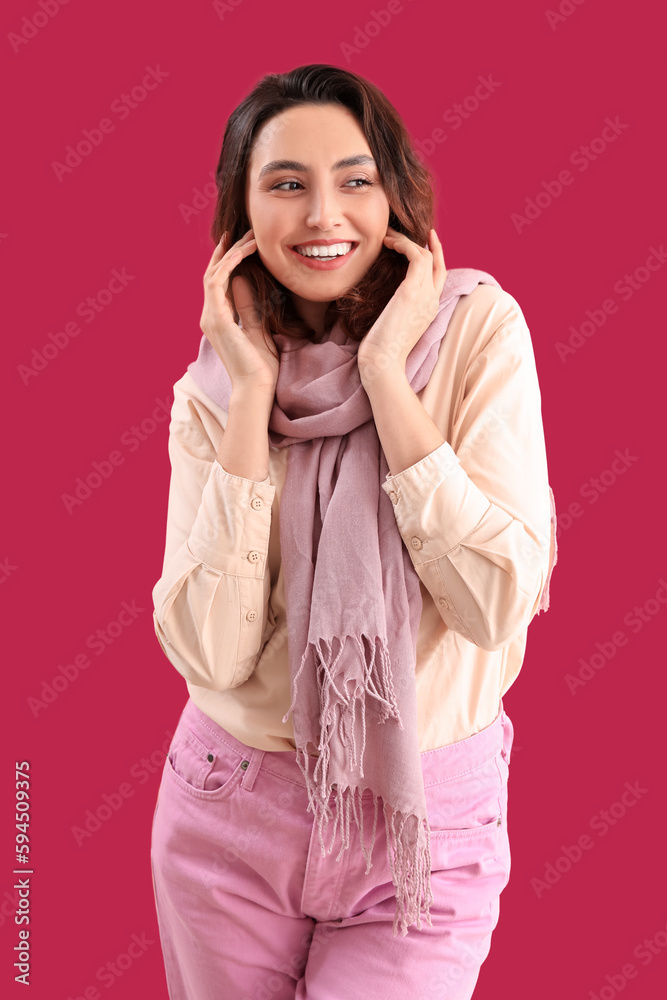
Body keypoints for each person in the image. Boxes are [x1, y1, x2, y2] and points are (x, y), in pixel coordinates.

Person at [149, 63, 558, 1000]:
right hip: (230, 814)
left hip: (423, 821)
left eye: (355, 178)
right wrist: (253, 392)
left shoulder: (476, 333)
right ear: (241, 216)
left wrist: (384, 374)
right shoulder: (212, 391)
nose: (323, 214)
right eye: (286, 183)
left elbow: (493, 600)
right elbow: (210, 651)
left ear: (395, 196)